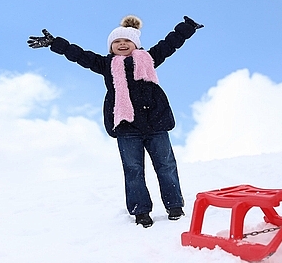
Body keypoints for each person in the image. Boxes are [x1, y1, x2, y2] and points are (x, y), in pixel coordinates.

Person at [27, 15, 203, 228]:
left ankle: (174, 205)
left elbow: (169, 44)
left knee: (166, 166)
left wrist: (187, 28)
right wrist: (55, 43)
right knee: (133, 169)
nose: (122, 44)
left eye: (127, 41)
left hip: (156, 123)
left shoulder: (149, 58)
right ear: (111, 47)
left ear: (135, 44)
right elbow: (80, 55)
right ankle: (141, 211)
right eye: (117, 42)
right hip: (126, 126)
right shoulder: (106, 64)